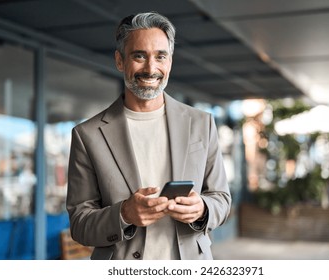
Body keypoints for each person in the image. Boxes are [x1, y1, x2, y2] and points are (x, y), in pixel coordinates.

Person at [66, 11, 231, 260]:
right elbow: (79, 224)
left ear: (170, 62)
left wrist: (203, 209)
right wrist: (124, 215)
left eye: (160, 56)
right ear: (120, 61)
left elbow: (222, 199)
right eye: (139, 55)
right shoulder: (87, 135)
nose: (150, 68)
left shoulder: (201, 123)